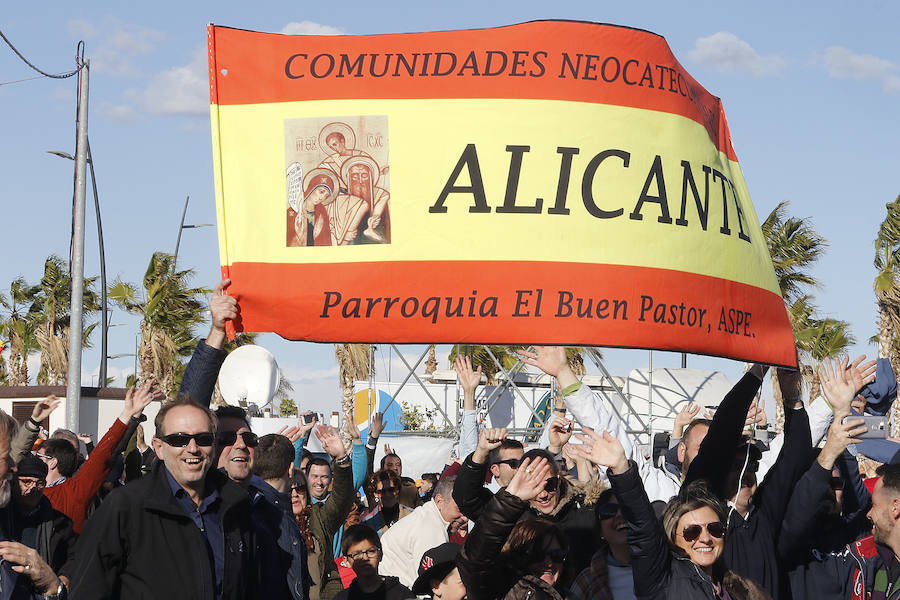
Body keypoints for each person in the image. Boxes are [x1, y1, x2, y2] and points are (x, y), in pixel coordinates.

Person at [68, 396, 257, 599]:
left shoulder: (236, 506)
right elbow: (88, 590)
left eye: (203, 439)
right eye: (178, 439)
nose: (192, 448)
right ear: (158, 447)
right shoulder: (125, 507)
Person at [578, 428, 770, 599]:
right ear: (673, 538)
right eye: (691, 531)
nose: (705, 538)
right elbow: (644, 530)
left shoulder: (740, 589)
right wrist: (621, 468)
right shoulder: (664, 580)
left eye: (714, 529)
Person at [454, 430, 593, 590]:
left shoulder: (585, 509)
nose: (543, 494)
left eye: (549, 485)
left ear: (559, 481)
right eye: (534, 485)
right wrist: (481, 452)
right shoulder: (512, 512)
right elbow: (466, 498)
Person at [33, 383, 158, 533]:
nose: (33, 457)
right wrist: (33, 422)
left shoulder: (75, 491)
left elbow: (103, 452)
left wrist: (128, 414)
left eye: (39, 455)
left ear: (53, 462)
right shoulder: (26, 490)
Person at [458, 456, 569, 600]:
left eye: (557, 555)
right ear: (518, 555)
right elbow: (474, 562)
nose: (548, 563)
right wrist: (510, 502)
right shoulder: (499, 590)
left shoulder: (575, 592)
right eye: (537, 553)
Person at [0, 410, 68, 600]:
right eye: (6, 457)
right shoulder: (8, 512)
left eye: (39, 483)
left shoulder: (58, 522)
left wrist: (54, 587)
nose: (14, 467)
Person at [292, 428, 355, 600]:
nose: (294, 494)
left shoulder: (321, 515)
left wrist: (341, 459)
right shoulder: (275, 519)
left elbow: (343, 497)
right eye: (289, 490)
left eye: (299, 488)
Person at [380, 477, 464, 588]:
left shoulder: (426, 516)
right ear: (439, 501)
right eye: (459, 509)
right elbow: (432, 583)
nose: (464, 518)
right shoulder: (430, 527)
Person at [568, 489, 635, 600]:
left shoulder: (664, 564)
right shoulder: (587, 580)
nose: (619, 515)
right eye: (609, 511)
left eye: (626, 508)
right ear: (600, 531)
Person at [333, 524, 413, 600]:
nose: (365, 558)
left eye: (371, 551)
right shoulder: (343, 598)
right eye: (356, 554)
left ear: (380, 554)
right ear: (346, 561)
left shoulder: (402, 595)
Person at [360, 468, 413, 535]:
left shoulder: (413, 515)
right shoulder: (367, 522)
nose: (387, 495)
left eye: (391, 490)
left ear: (397, 490)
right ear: (375, 494)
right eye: (381, 491)